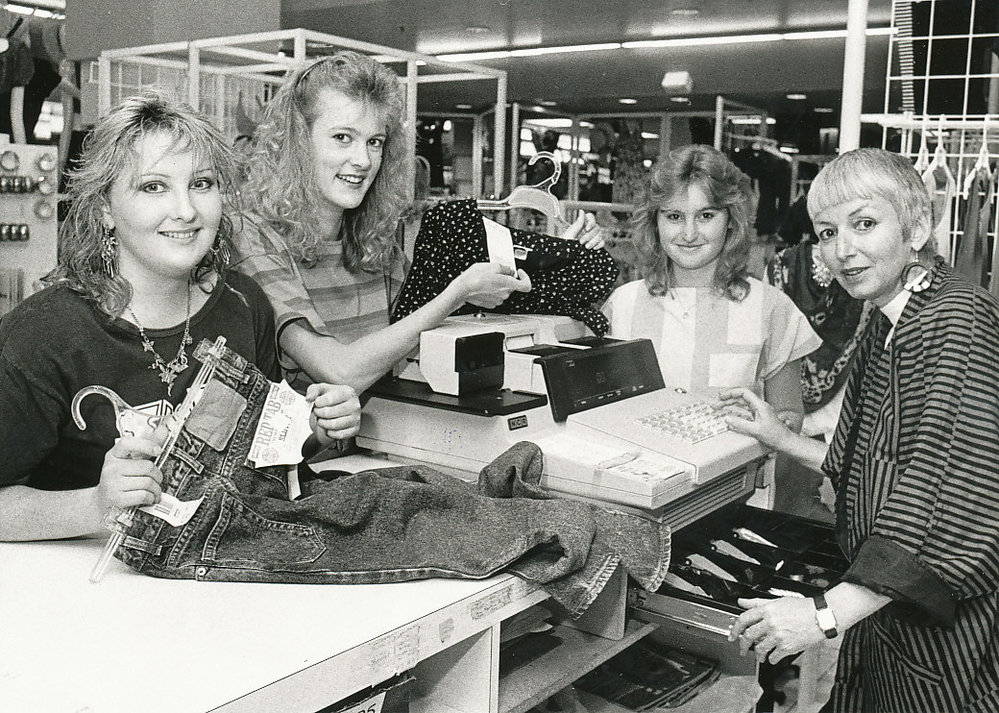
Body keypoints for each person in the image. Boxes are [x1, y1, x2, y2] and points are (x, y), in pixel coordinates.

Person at [0, 93, 360, 542]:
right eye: (154, 187)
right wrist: (93, 506)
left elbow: (261, 463)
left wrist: (316, 430)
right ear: (105, 209)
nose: (186, 211)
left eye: (202, 183)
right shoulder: (42, 334)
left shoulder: (244, 305)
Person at [723, 148, 999, 713]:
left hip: (942, 626)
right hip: (891, 608)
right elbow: (868, 462)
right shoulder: (894, 314)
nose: (842, 250)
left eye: (864, 224)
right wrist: (781, 437)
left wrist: (824, 614)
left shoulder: (957, 321)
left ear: (917, 227)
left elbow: (950, 491)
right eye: (826, 232)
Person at [233, 51, 602, 393]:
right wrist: (458, 294)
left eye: (374, 141)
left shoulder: (376, 238)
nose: (362, 159)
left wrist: (564, 252)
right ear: (298, 142)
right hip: (296, 462)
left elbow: (414, 332)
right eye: (342, 138)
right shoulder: (252, 238)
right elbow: (340, 371)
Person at [602, 144, 820, 432]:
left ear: (731, 220)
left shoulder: (771, 307)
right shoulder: (622, 304)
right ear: (655, 222)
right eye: (674, 217)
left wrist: (762, 421)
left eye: (706, 216)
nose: (689, 234)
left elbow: (789, 416)